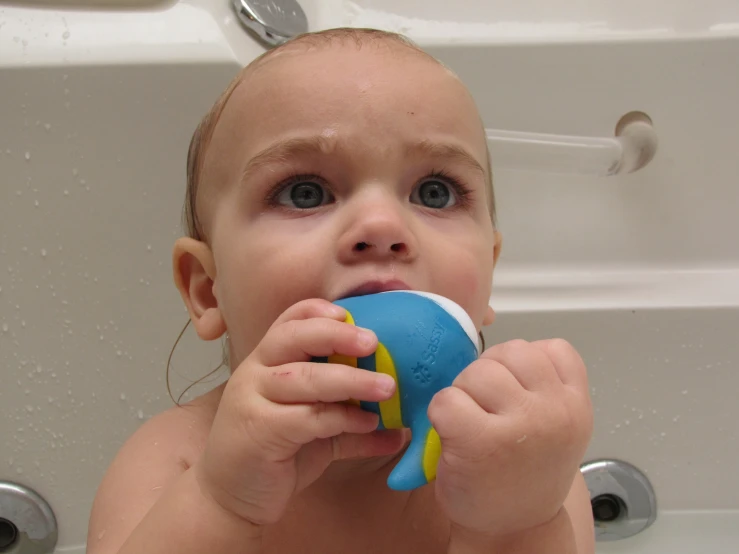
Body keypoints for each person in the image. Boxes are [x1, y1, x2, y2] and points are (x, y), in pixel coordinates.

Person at [87, 27, 595, 554]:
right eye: (305, 193)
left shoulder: (527, 468)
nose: (380, 225)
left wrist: (514, 528)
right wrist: (221, 505)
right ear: (208, 290)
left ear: (489, 271)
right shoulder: (177, 464)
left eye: (434, 192)